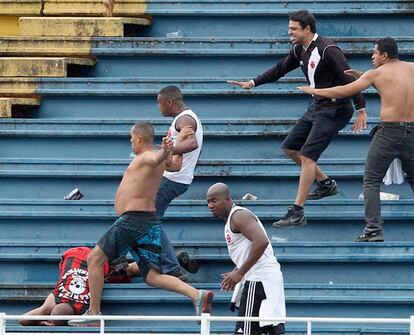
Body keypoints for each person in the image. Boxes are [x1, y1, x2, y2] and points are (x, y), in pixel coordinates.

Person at [227, 10, 367, 228]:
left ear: (307, 29)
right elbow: (279, 69)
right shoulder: (300, 50)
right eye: (289, 28)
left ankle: (297, 212)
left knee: (308, 156)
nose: (289, 32)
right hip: (317, 106)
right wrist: (253, 83)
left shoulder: (328, 49)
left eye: (293, 29)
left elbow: (348, 76)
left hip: (335, 108)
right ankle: (326, 184)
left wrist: (361, 108)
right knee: (291, 149)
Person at [69, 122, 213, 326]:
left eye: (131, 137)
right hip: (149, 222)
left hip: (133, 221)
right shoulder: (157, 160)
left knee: (94, 259)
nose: (130, 141)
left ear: (138, 138)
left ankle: (93, 313)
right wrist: (176, 144)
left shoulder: (147, 156)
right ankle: (196, 295)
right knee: (152, 276)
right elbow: (176, 164)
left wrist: (166, 148)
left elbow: (157, 156)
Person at [298, 37, 414, 242]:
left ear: (384, 55)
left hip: (389, 133)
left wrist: (316, 91)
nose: (372, 56)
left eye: (375, 53)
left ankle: (373, 229)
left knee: (371, 180)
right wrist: (364, 76)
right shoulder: (410, 68)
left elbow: (344, 90)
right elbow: (395, 84)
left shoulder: (377, 73)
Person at [206, 183, 286, 335]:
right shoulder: (233, 218)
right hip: (263, 279)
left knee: (246, 332)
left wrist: (240, 272)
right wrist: (238, 270)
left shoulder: (238, 216)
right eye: (208, 202)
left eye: (214, 201)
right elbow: (252, 248)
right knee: (269, 331)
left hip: (259, 280)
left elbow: (261, 241)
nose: (210, 205)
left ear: (227, 199)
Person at [19, 247, 138, 326]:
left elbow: (22, 320)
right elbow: (22, 319)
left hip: (97, 265)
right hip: (74, 256)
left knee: (129, 271)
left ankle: (150, 263)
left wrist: (47, 323)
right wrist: (44, 319)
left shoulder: (81, 310)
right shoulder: (55, 299)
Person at [155, 85, 203, 276]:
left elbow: (192, 143)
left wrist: (168, 151)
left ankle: (172, 265)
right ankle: (172, 260)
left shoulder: (184, 119)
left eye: (159, 104)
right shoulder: (183, 119)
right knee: (147, 220)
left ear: (169, 102)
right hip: (175, 178)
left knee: (148, 220)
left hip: (172, 179)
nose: (159, 108)